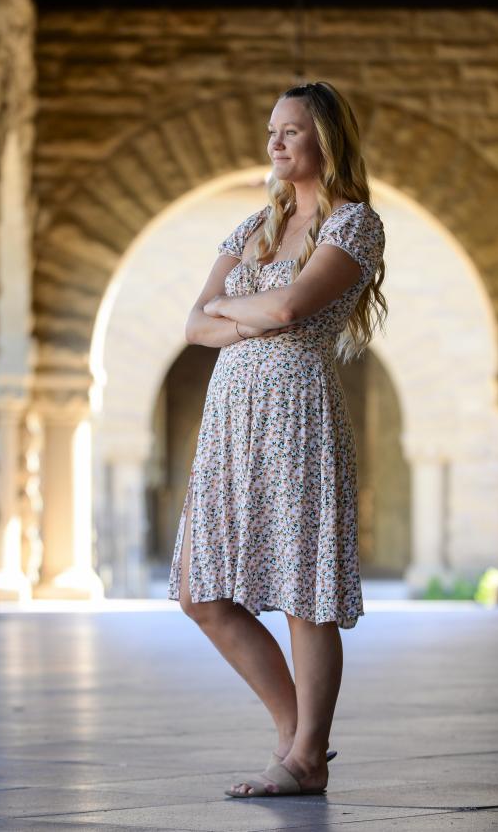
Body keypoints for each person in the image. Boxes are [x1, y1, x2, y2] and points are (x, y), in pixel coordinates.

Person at [165, 81, 387, 798]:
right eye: (272, 131)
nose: (277, 142)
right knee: (202, 590)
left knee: (304, 589)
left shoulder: (352, 225)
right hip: (231, 416)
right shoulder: (256, 226)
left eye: (292, 130)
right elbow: (194, 325)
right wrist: (242, 313)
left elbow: (294, 304)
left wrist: (236, 307)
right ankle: (301, 741)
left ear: (325, 137)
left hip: (296, 412)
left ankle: (303, 757)